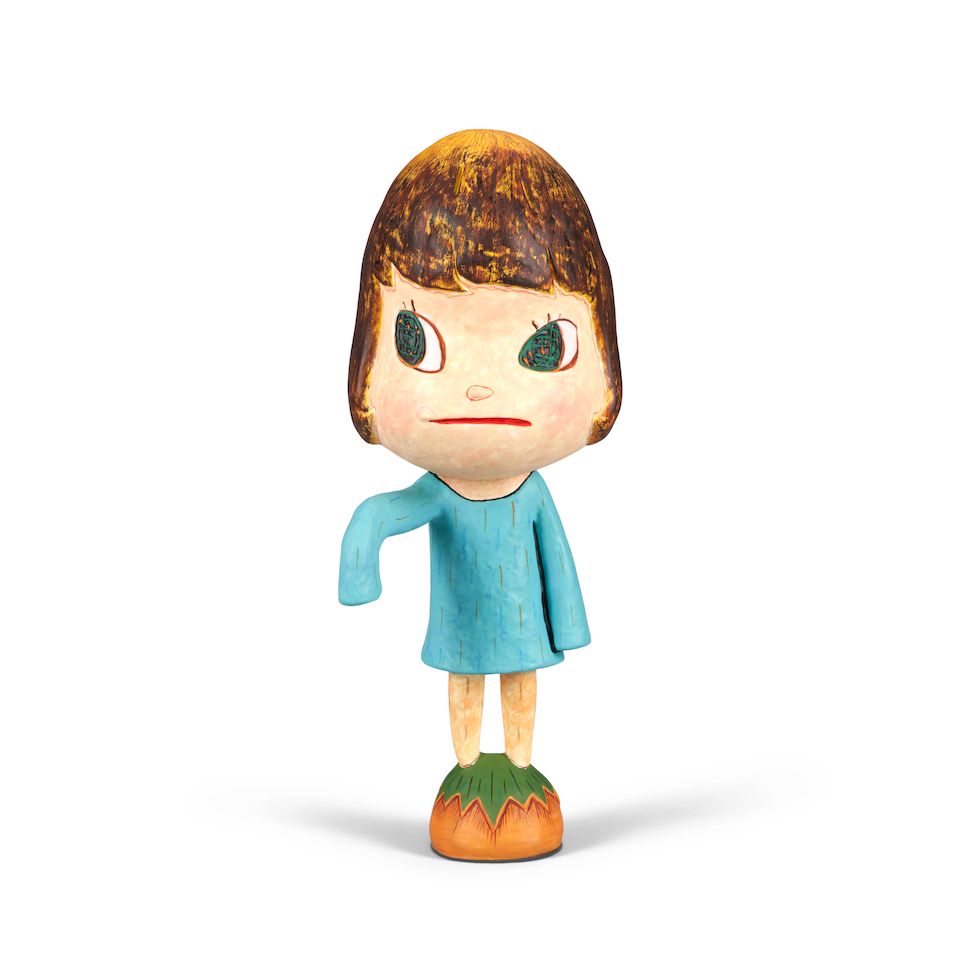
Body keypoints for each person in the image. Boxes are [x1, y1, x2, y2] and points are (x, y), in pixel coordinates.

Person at [339, 128, 622, 780]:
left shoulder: (530, 495)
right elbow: (387, 512)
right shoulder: (441, 492)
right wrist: (362, 548)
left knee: (520, 680)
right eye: (414, 340)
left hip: (523, 632)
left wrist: (568, 626)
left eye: (544, 348)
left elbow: (557, 561)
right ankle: (466, 765)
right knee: (464, 682)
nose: (479, 389)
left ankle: (519, 762)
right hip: (459, 628)